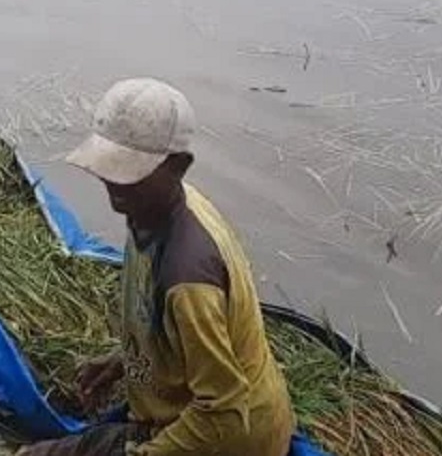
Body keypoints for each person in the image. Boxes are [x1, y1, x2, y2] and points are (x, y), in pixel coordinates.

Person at [20, 78, 295, 456]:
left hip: (233, 441)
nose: (115, 183)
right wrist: (124, 361)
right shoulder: (152, 208)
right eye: (110, 166)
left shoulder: (189, 277)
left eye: (130, 171)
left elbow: (225, 412)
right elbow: (170, 333)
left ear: (178, 166)